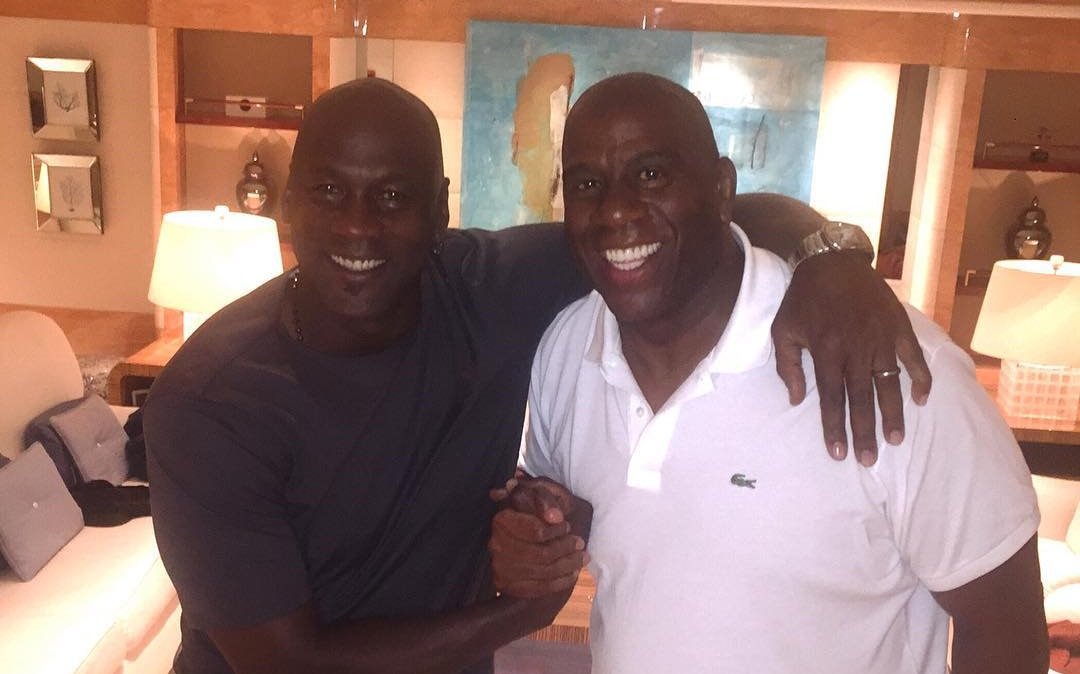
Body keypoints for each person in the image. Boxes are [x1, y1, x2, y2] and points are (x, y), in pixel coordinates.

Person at [144, 77, 930, 674]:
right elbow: (287, 664)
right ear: (287, 205)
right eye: (328, 192)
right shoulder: (211, 405)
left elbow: (703, 214)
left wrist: (830, 258)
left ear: (439, 210)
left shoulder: (485, 289)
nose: (358, 225)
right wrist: (525, 612)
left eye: (393, 196)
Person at [497, 73, 1048, 674]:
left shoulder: (887, 367)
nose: (616, 209)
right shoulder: (566, 350)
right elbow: (576, 514)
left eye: (651, 174)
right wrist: (539, 523)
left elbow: (1006, 632)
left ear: (721, 189)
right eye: (587, 184)